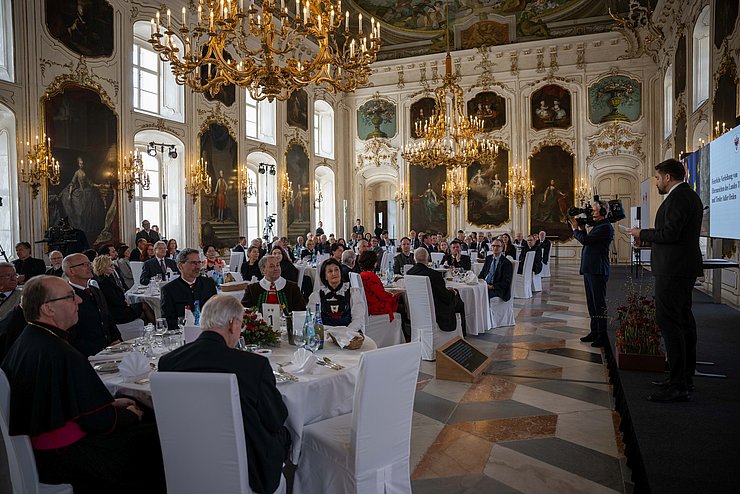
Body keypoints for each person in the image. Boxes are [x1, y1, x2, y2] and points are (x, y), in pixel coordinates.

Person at [0, 275, 165, 493]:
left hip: (48, 451)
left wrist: (113, 403)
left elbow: (65, 400)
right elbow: (98, 421)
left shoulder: (31, 338)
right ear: (48, 309)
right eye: (70, 296)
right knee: (157, 437)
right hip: (68, 456)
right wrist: (131, 414)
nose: (78, 300)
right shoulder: (59, 351)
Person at [158, 295, 290, 493]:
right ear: (232, 324)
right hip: (249, 470)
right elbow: (275, 419)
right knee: (287, 434)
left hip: (186, 462)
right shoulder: (254, 366)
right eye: (241, 325)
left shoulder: (168, 362)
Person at [630, 159, 703, 402]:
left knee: (671, 322)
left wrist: (643, 233)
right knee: (682, 322)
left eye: (659, 178)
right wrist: (649, 237)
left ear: (669, 177)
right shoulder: (686, 196)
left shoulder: (679, 197)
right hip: (678, 267)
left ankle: (679, 383)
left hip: (674, 269)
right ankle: (682, 377)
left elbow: (671, 234)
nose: (658, 183)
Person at [570, 201, 614, 349]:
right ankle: (594, 331)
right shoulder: (598, 226)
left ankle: (602, 335)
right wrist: (582, 229)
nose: (592, 213)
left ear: (603, 212)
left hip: (598, 270)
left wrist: (576, 230)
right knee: (591, 303)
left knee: (599, 304)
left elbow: (587, 241)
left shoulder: (605, 227)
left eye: (595, 211)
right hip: (590, 269)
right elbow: (587, 242)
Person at [62, 253, 122, 357]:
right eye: (84, 264)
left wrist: (117, 339)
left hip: (109, 349)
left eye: (89, 263)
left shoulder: (95, 291)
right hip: (87, 354)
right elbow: (71, 334)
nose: (90, 267)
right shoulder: (66, 296)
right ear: (71, 271)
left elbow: (107, 317)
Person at [406, 248, 467, 336]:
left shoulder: (409, 273)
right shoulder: (435, 275)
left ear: (414, 259)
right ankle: (461, 334)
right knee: (460, 303)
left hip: (417, 311)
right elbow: (445, 298)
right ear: (428, 259)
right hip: (436, 312)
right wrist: (453, 292)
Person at [160, 248, 218, 330]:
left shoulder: (208, 284)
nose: (198, 267)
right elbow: (168, 320)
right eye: (193, 263)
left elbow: (216, 311)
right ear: (180, 266)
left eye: (199, 262)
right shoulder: (169, 290)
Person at [92, 255, 154, 325]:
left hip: (118, 309)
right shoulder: (104, 282)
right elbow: (113, 299)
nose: (113, 267)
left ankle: (150, 328)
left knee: (142, 311)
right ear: (103, 267)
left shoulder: (107, 279)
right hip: (117, 313)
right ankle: (156, 326)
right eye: (110, 266)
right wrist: (125, 303)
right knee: (144, 305)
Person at [308, 258, 364, 332]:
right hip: (326, 335)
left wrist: (346, 333)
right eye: (330, 271)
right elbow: (312, 320)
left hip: (348, 335)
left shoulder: (353, 293)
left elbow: (358, 319)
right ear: (325, 276)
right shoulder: (317, 296)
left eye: (336, 270)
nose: (334, 273)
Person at [358, 251, 400, 321]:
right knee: (401, 304)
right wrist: (393, 294)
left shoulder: (362, 274)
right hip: (375, 307)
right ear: (374, 263)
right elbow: (382, 295)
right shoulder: (371, 276)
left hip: (368, 306)